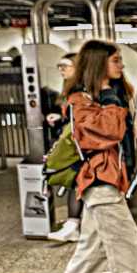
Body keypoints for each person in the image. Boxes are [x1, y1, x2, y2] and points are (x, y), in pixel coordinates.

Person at [40, 40, 137, 273]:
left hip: (110, 179)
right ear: (99, 64)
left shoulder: (108, 96)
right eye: (116, 61)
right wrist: (111, 96)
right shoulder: (81, 100)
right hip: (100, 180)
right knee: (127, 246)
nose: (122, 65)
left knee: (92, 250)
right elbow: (109, 132)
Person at [44, 54, 84, 243]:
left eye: (65, 66)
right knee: (75, 182)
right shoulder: (68, 89)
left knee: (77, 181)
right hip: (74, 142)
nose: (61, 69)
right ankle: (73, 224)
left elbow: (80, 119)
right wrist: (59, 118)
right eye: (59, 66)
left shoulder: (81, 90)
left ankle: (73, 224)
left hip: (79, 146)